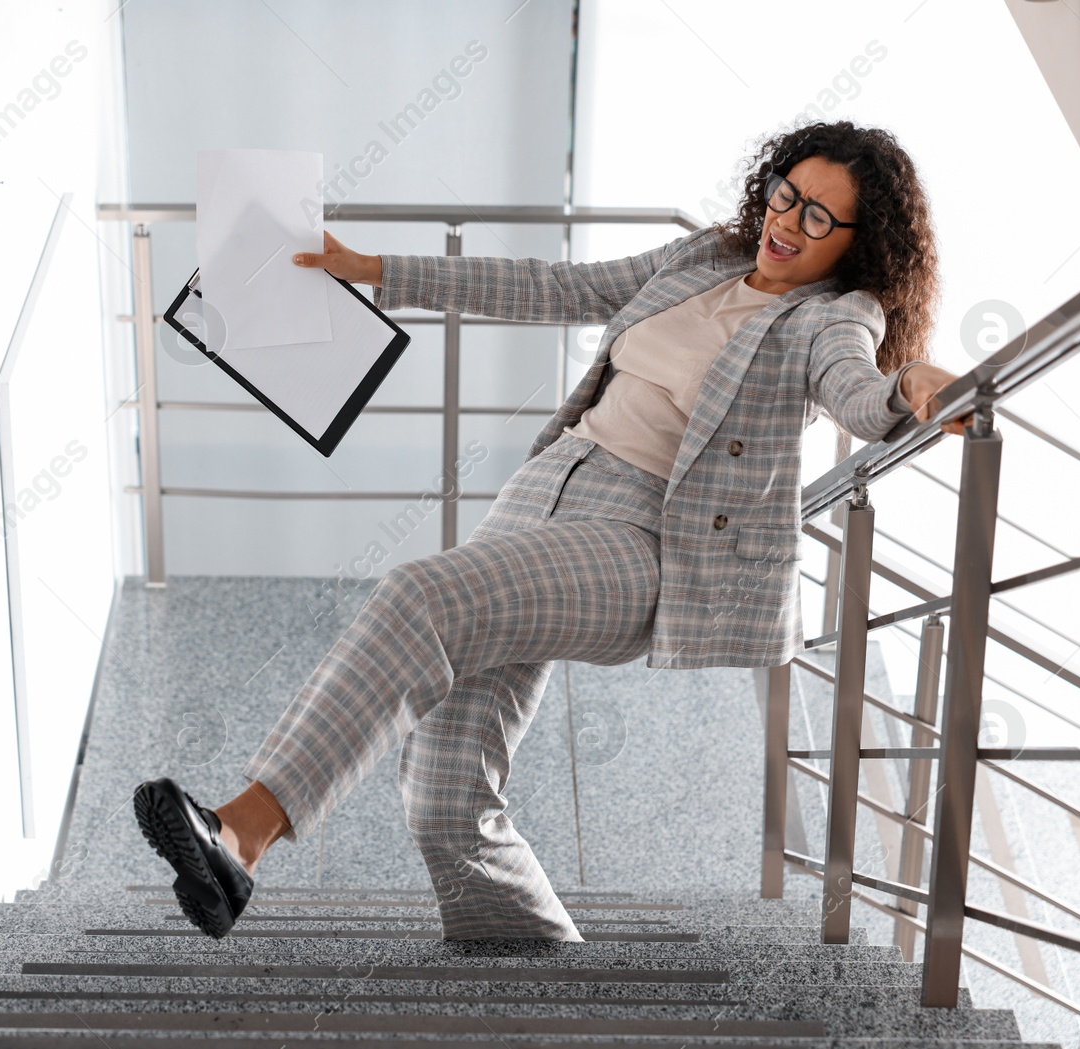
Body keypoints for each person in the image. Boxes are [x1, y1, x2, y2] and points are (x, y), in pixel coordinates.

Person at [133, 120, 969, 941]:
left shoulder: (832, 319)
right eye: (787, 195)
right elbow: (554, 287)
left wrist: (912, 387)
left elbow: (857, 391)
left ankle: (242, 832)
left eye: (820, 216)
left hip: (643, 541)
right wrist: (375, 270)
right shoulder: (703, 258)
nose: (788, 223)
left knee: (421, 594)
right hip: (543, 492)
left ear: (858, 245)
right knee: (446, 791)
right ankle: (541, 969)